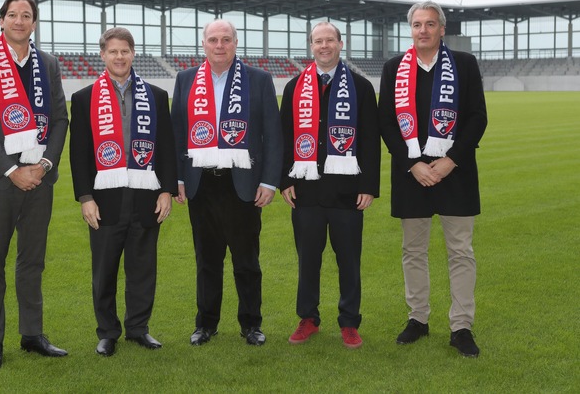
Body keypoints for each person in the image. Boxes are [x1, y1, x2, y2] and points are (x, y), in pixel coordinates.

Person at [0, 0, 69, 371]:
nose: (20, 21)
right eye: (13, 14)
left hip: (40, 178)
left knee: (32, 261)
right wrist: (12, 170)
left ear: (34, 23)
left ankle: (32, 334)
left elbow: (60, 120)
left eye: (27, 15)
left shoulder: (49, 64)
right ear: (2, 21)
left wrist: (42, 165)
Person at [378, 1, 487, 358]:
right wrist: (414, 164)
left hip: (456, 173)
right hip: (412, 174)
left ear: (442, 29)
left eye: (429, 24)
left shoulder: (464, 64)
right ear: (410, 29)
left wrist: (450, 160)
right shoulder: (395, 67)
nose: (422, 30)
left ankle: (462, 326)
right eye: (416, 25)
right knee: (413, 251)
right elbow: (387, 123)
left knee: (460, 252)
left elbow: (476, 118)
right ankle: (418, 319)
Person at [171, 19, 283, 347]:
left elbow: (273, 135)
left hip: (243, 182)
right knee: (207, 260)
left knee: (246, 260)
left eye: (226, 40)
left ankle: (251, 324)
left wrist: (269, 182)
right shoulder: (186, 79)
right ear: (203, 44)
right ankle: (206, 324)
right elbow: (178, 130)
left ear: (236, 43)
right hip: (201, 183)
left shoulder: (258, 80)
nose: (219, 46)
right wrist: (178, 177)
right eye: (213, 40)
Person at [69, 27, 177, 357]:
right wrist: (85, 197)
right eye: (113, 51)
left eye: (125, 51)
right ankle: (107, 332)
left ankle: (138, 328)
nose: (119, 57)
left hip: (146, 196)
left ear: (133, 54)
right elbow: (79, 153)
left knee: (142, 268)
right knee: (104, 270)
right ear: (103, 55)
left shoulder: (156, 96)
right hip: (105, 199)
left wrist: (166, 191)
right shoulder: (84, 97)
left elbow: (167, 148)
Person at [279, 22, 380, 348]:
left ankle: (349, 322)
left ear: (340, 43)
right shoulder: (295, 87)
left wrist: (369, 185)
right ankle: (308, 318)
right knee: (308, 259)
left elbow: (370, 141)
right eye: (318, 41)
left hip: (347, 191)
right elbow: (284, 138)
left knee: (349, 260)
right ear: (312, 46)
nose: (324, 46)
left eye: (329, 40)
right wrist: (285, 181)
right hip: (306, 191)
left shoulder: (361, 87)